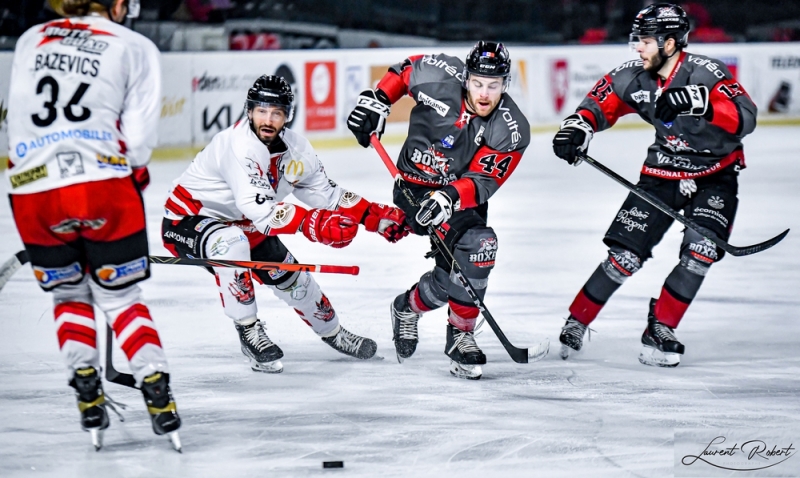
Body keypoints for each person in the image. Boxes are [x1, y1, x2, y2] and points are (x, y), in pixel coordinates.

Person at [6, 0, 181, 451]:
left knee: (69, 294)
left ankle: (85, 383)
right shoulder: (134, 45)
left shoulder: (30, 39)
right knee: (121, 297)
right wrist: (129, 176)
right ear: (118, 4)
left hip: (32, 191)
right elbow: (139, 144)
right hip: (102, 186)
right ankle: (157, 391)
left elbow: (17, 123)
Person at [552, 3, 757, 367]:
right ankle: (578, 320)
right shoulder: (636, 75)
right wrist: (577, 128)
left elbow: (746, 118)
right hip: (661, 174)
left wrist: (703, 103)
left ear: (671, 43)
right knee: (623, 259)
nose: (638, 48)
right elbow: (601, 103)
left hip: (715, 175)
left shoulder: (708, 72)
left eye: (646, 41)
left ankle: (661, 326)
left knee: (701, 252)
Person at [162, 75, 409, 373]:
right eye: (262, 111)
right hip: (190, 221)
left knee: (296, 280)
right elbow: (260, 210)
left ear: (287, 116)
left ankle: (333, 332)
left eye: (276, 112)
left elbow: (327, 193)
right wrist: (313, 224)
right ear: (249, 111)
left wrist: (372, 216)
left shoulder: (296, 149)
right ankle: (248, 329)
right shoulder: (237, 145)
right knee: (231, 243)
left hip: (247, 226)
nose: (268, 119)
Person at [347, 42, 531, 380]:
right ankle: (461, 336)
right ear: (466, 79)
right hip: (413, 187)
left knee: (455, 279)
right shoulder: (440, 73)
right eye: (477, 83)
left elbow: (484, 180)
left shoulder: (512, 128)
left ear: (506, 83)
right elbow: (404, 71)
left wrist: (448, 198)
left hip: (459, 196)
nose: (485, 93)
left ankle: (407, 307)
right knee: (479, 245)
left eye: (494, 85)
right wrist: (378, 100)